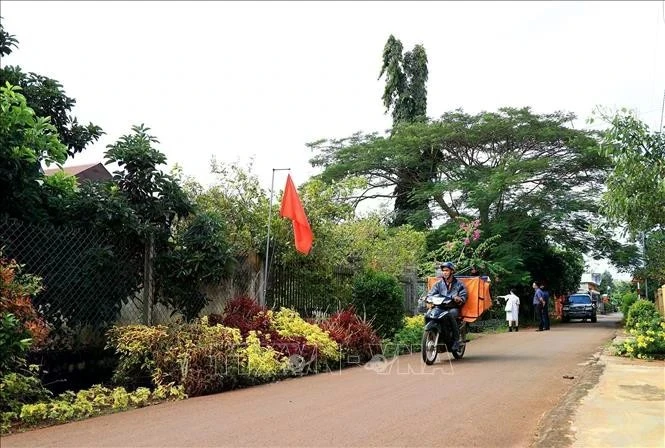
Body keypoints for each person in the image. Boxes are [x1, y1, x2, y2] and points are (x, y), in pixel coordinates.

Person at [427, 262, 468, 351]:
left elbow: (463, 296)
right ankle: (432, 335)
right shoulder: (438, 284)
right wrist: (428, 298)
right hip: (440, 307)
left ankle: (456, 340)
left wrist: (459, 298)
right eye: (443, 271)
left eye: (447, 270)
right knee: (429, 314)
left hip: (452, 307)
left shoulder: (459, 284)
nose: (444, 272)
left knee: (451, 314)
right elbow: (431, 294)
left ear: (452, 271)